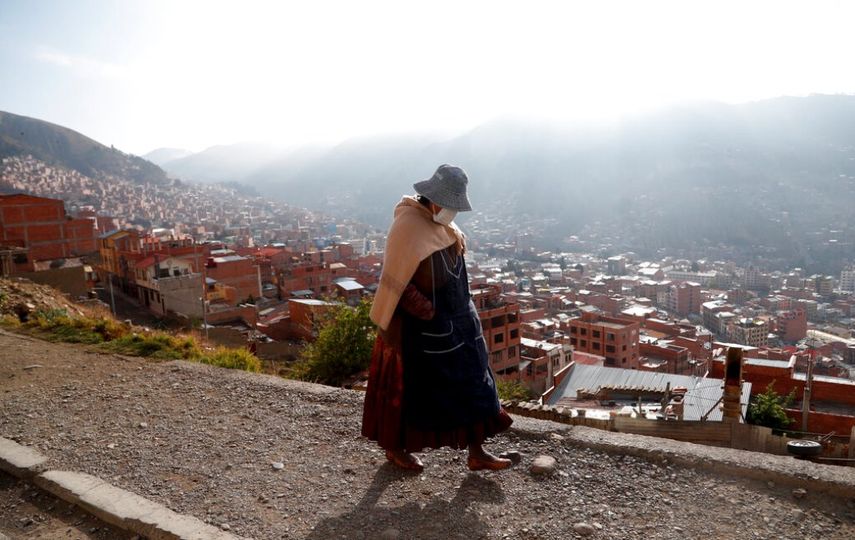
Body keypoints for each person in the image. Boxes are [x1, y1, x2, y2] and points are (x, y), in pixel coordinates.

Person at [361, 164, 513, 472]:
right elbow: (397, 282)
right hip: (420, 329)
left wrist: (464, 314)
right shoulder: (408, 226)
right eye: (448, 205)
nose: (451, 212)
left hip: (459, 321)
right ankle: (396, 448)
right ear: (433, 199)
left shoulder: (445, 227)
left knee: (474, 382)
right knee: (413, 391)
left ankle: (477, 451)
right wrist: (428, 312)